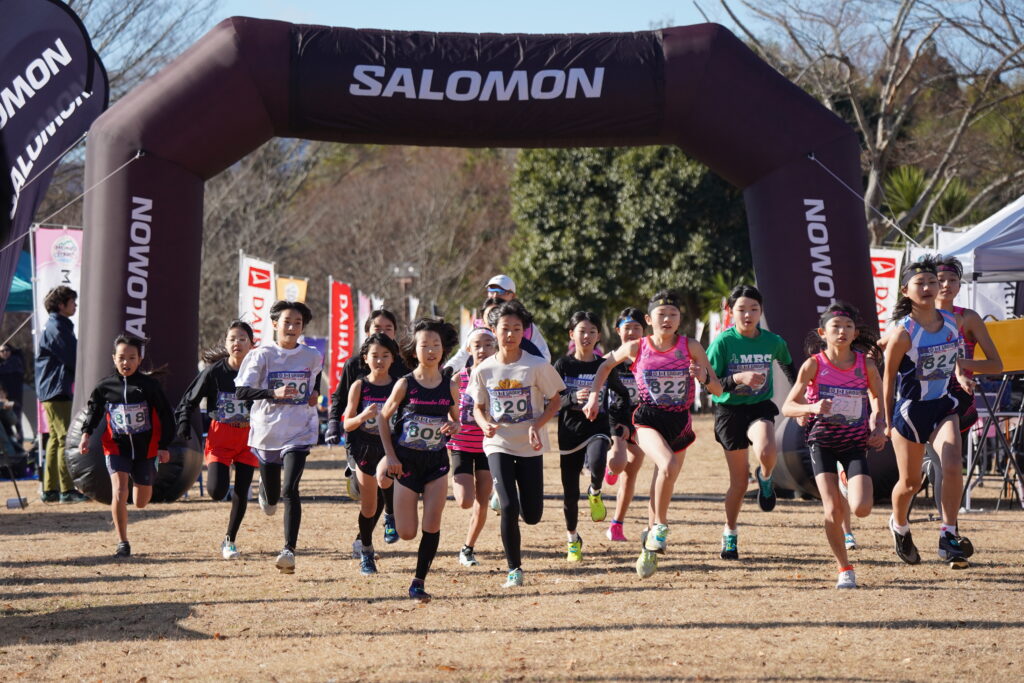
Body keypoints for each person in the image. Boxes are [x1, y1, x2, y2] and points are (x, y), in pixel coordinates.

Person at [584, 290, 722, 578]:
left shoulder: (691, 346)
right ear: (649, 319)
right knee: (667, 464)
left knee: (664, 479)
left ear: (680, 318)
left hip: (680, 422)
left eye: (673, 314)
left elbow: (717, 389)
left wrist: (703, 377)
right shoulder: (637, 347)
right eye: (661, 315)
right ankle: (660, 526)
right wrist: (594, 396)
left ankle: (649, 545)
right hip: (647, 419)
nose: (667, 319)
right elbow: (604, 365)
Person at [782, 302, 886, 588]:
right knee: (832, 510)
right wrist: (811, 408)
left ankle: (846, 482)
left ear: (855, 333)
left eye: (848, 327)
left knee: (861, 508)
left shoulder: (865, 364)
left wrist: (879, 424)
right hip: (822, 442)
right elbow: (788, 406)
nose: (842, 331)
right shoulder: (814, 364)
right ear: (823, 333)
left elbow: (877, 397)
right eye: (836, 327)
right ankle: (845, 568)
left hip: (854, 443)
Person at [883, 257, 976, 569]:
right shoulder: (903, 333)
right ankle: (899, 525)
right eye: (919, 283)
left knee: (952, 463)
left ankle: (948, 534)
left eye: (932, 282)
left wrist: (960, 374)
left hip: (942, 405)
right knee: (910, 483)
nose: (927, 288)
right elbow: (888, 381)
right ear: (905, 291)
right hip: (910, 413)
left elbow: (953, 357)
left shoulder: (952, 322)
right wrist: (885, 422)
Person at [470, 300, 564, 588]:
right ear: (494, 331)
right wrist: (484, 424)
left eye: (516, 329)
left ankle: (514, 498)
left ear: (524, 332)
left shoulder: (536, 365)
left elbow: (556, 399)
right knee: (509, 506)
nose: (510, 334)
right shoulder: (484, 369)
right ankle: (514, 569)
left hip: (530, 445)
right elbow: (478, 407)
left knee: (532, 515)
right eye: (505, 329)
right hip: (498, 442)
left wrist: (537, 424)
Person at [706, 284, 796, 560]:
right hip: (729, 411)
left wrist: (800, 394)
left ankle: (766, 477)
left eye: (754, 309)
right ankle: (730, 532)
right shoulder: (723, 343)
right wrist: (738, 378)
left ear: (761, 311)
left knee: (767, 451)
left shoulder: (772, 341)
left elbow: (789, 366)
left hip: (759, 406)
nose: (748, 315)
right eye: (742, 310)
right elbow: (710, 385)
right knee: (739, 484)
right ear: (730, 311)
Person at [235, 301, 323, 574]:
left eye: (298, 323)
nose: (292, 327)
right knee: (273, 498)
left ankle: (289, 551)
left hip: (299, 430)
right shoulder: (261, 355)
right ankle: (266, 490)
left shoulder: (311, 355)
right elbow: (242, 392)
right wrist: (272, 393)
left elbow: (315, 379)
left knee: (290, 490)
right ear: (274, 324)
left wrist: (314, 394)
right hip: (268, 431)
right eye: (287, 322)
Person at [377, 318, 461, 601]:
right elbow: (383, 418)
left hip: (436, 463)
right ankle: (390, 513)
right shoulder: (405, 384)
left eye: (436, 345)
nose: (431, 350)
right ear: (414, 350)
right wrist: (390, 456)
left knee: (432, 524)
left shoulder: (449, 386)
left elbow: (457, 420)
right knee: (407, 532)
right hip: (405, 463)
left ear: (443, 349)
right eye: (425, 345)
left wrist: (454, 426)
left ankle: (418, 582)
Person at [79, 334, 174, 557]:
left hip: (145, 449)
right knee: (120, 491)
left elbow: (166, 415)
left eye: (132, 358)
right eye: (121, 357)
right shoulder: (105, 386)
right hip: (116, 446)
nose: (126, 362)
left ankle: (146, 475)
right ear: (114, 358)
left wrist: (163, 445)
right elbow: (94, 411)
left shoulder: (149, 386)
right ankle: (122, 542)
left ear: (139, 360)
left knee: (140, 502)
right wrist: (86, 434)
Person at [175, 321, 257, 560]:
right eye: (232, 339)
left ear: (251, 344)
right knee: (216, 491)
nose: (237, 343)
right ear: (226, 343)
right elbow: (189, 399)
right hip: (221, 434)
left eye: (242, 339)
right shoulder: (214, 372)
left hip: (249, 436)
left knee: (242, 490)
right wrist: (183, 422)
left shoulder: (258, 371)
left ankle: (230, 539)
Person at [554, 311, 630, 562]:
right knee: (570, 494)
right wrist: (572, 398)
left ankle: (595, 490)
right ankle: (572, 539)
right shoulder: (563, 365)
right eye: (582, 331)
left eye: (592, 332)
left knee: (598, 462)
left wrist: (621, 421)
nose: (586, 336)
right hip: (569, 433)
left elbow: (622, 394)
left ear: (598, 336)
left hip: (597, 427)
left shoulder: (603, 365)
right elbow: (550, 399)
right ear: (571, 334)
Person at [326, 309, 407, 536]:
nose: (383, 332)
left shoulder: (402, 367)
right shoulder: (355, 365)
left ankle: (370, 534)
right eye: (377, 328)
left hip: (390, 442)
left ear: (395, 332)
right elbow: (340, 398)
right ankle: (355, 480)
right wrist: (333, 423)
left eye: (388, 328)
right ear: (367, 332)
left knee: (384, 481)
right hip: (360, 441)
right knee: (365, 495)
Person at [342, 333, 401, 576]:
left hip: (390, 447)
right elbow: (347, 424)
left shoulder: (399, 385)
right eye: (375, 356)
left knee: (384, 477)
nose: (380, 360)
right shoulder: (359, 386)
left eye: (385, 355)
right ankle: (366, 552)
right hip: (365, 447)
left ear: (393, 358)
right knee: (368, 508)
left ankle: (390, 515)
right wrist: (363, 416)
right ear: (365, 358)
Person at [935, 256, 1003, 452]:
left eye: (952, 280)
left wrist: (961, 363)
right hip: (925, 400)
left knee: (950, 463)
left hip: (959, 402)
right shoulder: (918, 319)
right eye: (940, 280)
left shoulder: (969, 317)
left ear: (959, 285)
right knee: (922, 469)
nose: (946, 285)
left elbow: (996, 366)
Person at [448, 327, 498, 567]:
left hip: (489, 445)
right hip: (461, 445)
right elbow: (445, 409)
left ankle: (468, 548)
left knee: (482, 499)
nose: (482, 349)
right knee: (465, 501)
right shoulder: (458, 379)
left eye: (488, 344)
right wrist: (450, 422)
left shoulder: (500, 378)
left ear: (495, 348)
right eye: (477, 345)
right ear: (468, 349)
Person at [35, 286, 87, 503]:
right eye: (72, 302)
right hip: (56, 389)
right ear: (61, 305)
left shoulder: (56, 325)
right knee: (64, 437)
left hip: (52, 389)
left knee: (56, 439)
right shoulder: (57, 327)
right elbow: (74, 357)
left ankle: (50, 489)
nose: (75, 305)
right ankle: (66, 490)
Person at [603, 308, 651, 542]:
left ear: (644, 331)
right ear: (617, 331)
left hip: (640, 419)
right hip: (615, 418)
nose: (632, 333)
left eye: (637, 328)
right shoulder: (610, 360)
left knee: (630, 474)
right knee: (619, 462)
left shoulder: (649, 359)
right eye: (627, 328)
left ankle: (616, 524)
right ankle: (611, 466)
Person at [445, 276, 550, 371]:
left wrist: (528, 373)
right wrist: (449, 368)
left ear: (513, 296)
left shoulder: (526, 326)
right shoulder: (478, 325)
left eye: (501, 291)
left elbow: (544, 357)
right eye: (491, 291)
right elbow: (464, 353)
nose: (495, 295)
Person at [0, 343, 26, 443]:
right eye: (2, 351)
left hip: (14, 398)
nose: (5, 352)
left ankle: (19, 444)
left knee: (16, 421)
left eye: (7, 350)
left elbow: (6, 369)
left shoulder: (15, 361)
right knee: (6, 423)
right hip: (4, 399)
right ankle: (12, 445)